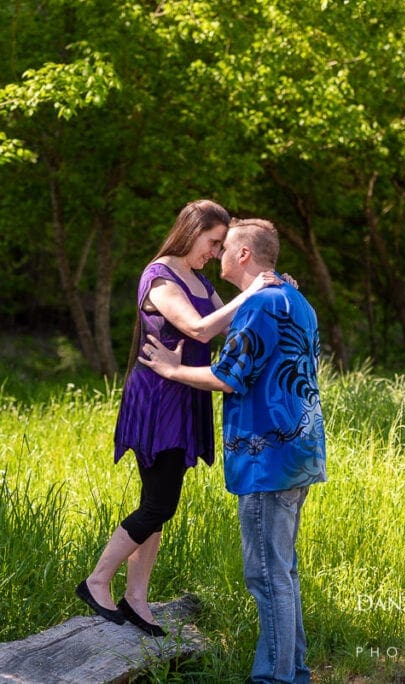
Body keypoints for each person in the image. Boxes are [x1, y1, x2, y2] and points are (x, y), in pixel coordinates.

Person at [76, 200, 281, 637]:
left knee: (158, 503)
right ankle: (96, 581)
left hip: (183, 395)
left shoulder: (198, 279)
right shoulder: (159, 276)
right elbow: (198, 328)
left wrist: (275, 292)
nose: (215, 251)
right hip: (157, 399)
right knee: (159, 503)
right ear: (192, 231)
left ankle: (135, 598)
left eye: (222, 245)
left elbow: (231, 322)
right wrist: (252, 291)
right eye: (212, 242)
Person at [138, 217, 327, 683]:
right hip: (300, 453)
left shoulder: (258, 306)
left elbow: (229, 377)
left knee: (266, 576)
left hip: (266, 459)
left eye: (225, 247)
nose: (219, 254)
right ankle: (293, 671)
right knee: (283, 573)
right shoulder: (297, 300)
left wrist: (169, 370)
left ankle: (276, 679)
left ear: (243, 255)